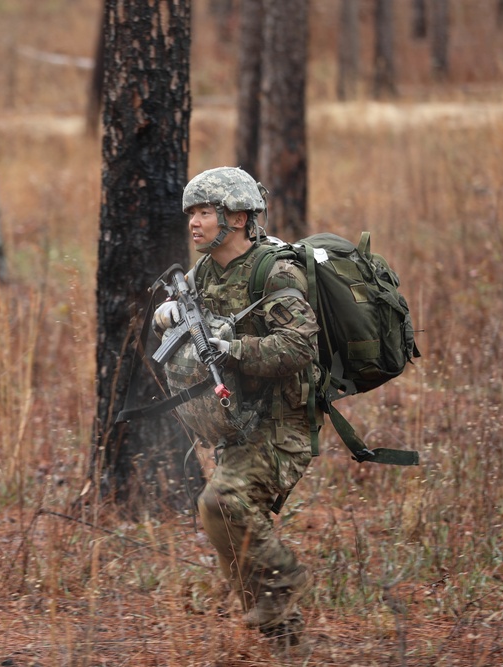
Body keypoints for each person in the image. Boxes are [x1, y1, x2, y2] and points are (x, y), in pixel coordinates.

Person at [152, 166, 320, 649]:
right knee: (222, 515)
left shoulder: (275, 271)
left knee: (221, 502)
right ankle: (282, 634)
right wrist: (175, 322)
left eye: (206, 212)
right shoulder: (202, 274)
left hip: (284, 423)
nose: (194, 223)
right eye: (192, 214)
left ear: (240, 217)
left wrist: (236, 350)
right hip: (238, 422)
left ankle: (284, 581)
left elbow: (299, 348)